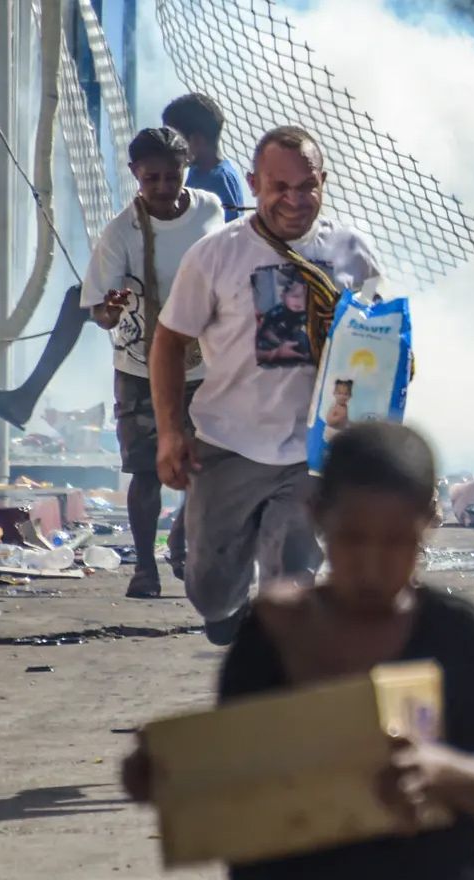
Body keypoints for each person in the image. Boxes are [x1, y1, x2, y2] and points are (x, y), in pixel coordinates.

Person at [121, 421, 474, 880]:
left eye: (398, 542)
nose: (373, 564)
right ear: (317, 517)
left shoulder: (453, 632)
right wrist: (163, 774)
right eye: (353, 539)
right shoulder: (272, 633)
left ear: (427, 525)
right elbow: (228, 770)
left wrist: (438, 769)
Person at [153, 125, 383, 645]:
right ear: (254, 184)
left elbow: (378, 342)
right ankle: (224, 611)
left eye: (307, 187)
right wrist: (169, 433)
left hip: (313, 451)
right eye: (280, 187)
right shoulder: (216, 256)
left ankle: (278, 673)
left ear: (323, 182)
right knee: (209, 587)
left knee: (290, 577)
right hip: (229, 445)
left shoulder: (350, 251)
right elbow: (168, 343)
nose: (295, 201)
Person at [82, 127, 225, 598]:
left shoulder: (210, 210)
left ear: (187, 171)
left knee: (206, 463)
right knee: (146, 469)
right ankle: (145, 567)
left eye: (172, 176)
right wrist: (113, 308)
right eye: (152, 179)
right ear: (135, 176)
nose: (164, 188)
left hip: (206, 363)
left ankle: (182, 538)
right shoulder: (120, 233)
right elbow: (100, 314)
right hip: (140, 366)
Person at [163, 93, 246, 221]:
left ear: (196, 140)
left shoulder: (218, 180)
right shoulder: (197, 169)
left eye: (173, 140)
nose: (168, 146)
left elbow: (229, 232)